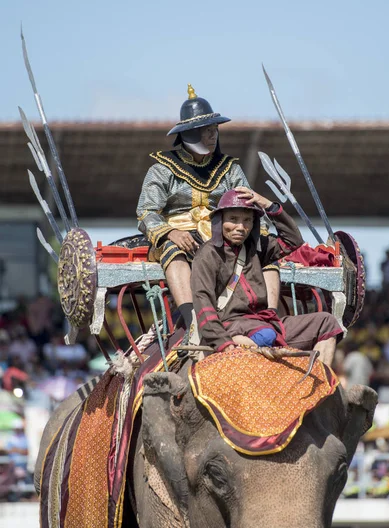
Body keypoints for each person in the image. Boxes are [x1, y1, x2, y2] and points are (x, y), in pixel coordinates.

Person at [136, 85, 283, 333]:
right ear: (189, 134)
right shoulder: (161, 169)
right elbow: (146, 212)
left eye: (214, 130)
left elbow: (250, 206)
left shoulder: (230, 169)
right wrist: (171, 233)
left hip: (222, 236)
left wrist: (264, 236)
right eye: (206, 131)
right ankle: (193, 320)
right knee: (173, 250)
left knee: (265, 251)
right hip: (179, 237)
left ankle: (269, 317)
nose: (213, 136)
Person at [191, 190, 344, 365]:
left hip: (266, 323)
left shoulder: (258, 247)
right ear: (220, 221)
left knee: (327, 322)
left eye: (247, 220)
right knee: (265, 334)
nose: (240, 227)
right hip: (230, 325)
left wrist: (268, 205)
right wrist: (223, 343)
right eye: (233, 219)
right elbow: (203, 303)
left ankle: (321, 386)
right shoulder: (207, 254)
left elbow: (293, 240)